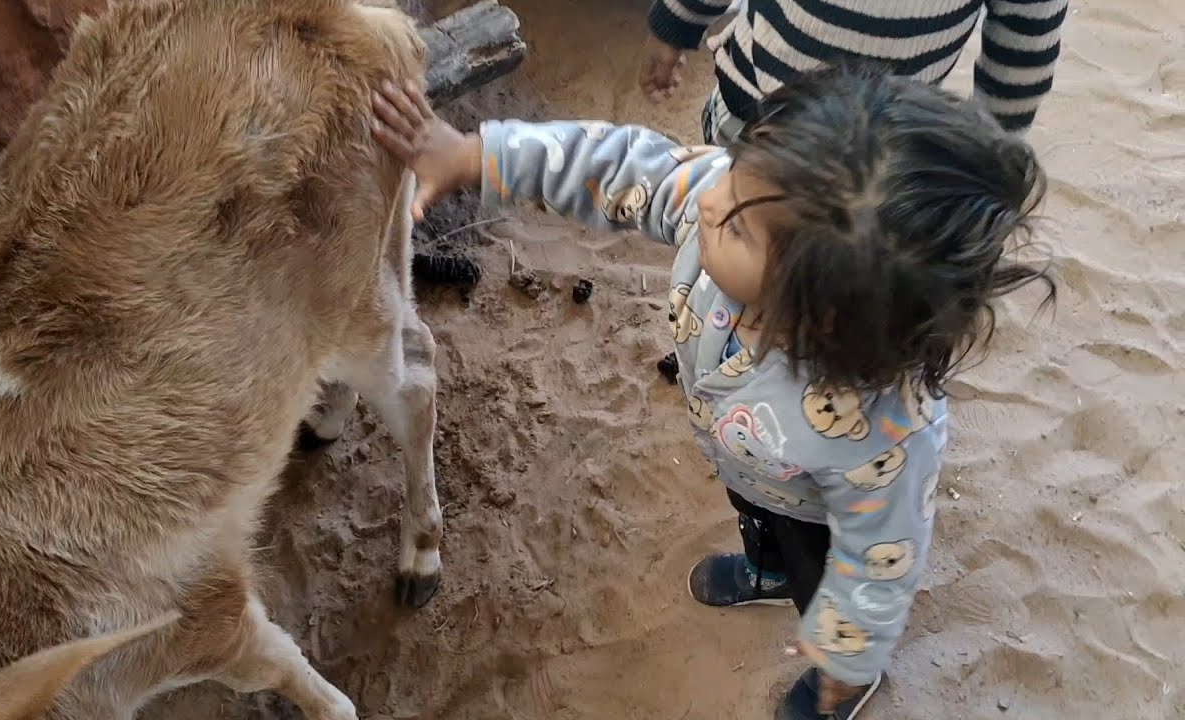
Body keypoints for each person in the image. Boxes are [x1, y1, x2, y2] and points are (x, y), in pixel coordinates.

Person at [369, 63, 1055, 719]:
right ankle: (766, 569)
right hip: (751, 466)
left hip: (819, 512)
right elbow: (618, 164)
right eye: (733, 168)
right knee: (757, 525)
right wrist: (477, 154)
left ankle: (844, 681)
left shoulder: (882, 434)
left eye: (735, 224)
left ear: (817, 315)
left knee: (820, 573)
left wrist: (852, 652)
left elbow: (883, 556)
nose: (709, 197)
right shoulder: (737, 197)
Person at [640, 0, 1069, 145]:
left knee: (826, 278)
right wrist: (677, 22)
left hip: (874, 148)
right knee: (724, 239)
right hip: (749, 108)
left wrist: (990, 151)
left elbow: (1024, 44)